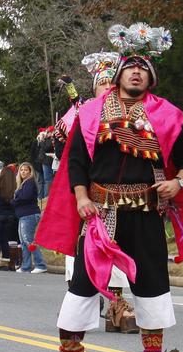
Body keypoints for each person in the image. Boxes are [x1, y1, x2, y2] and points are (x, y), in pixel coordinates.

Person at [37, 22, 183, 352]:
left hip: (146, 211)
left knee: (151, 286)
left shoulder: (167, 114)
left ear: (150, 77)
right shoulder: (91, 113)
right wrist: (80, 197)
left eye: (144, 68)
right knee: (83, 285)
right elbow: (76, 159)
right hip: (101, 213)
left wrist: (179, 181)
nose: (136, 71)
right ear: (120, 71)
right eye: (130, 66)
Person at [58, 50, 139, 333]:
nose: (107, 88)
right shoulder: (84, 113)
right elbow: (68, 152)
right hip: (85, 190)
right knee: (85, 248)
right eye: (102, 84)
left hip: (124, 194)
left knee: (121, 246)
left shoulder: (129, 110)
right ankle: (82, 301)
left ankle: (119, 302)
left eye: (110, 83)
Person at [13, 162, 49, 273]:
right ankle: (26, 266)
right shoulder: (23, 183)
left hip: (29, 215)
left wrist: (14, 200)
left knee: (28, 240)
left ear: (30, 171)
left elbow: (25, 197)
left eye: (26, 170)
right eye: (21, 170)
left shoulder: (30, 183)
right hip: (23, 215)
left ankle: (40, 264)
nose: (23, 172)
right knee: (23, 242)